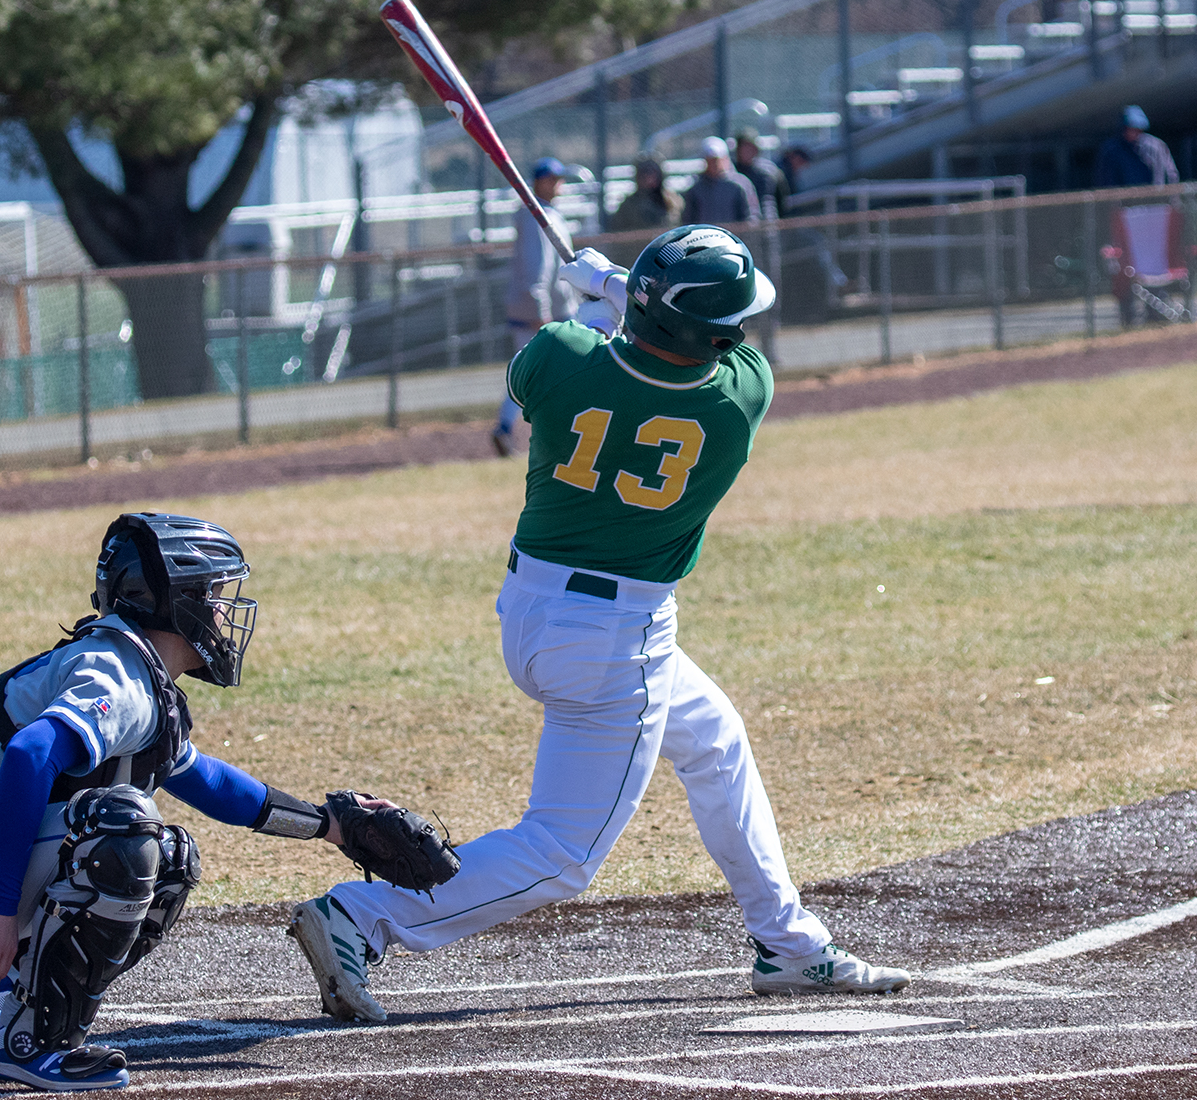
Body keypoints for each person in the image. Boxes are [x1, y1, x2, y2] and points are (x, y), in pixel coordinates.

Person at [288, 225, 910, 1025]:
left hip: (533, 611)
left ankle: (788, 943)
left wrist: (613, 295)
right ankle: (363, 918)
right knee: (564, 853)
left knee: (715, 740)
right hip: (618, 639)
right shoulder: (737, 399)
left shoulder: (557, 354)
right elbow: (698, 349)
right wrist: (616, 283)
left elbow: (571, 362)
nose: (741, 331)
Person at [0, 512, 402, 1092]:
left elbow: (210, 783)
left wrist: (331, 827)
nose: (225, 611)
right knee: (127, 833)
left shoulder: (137, 672)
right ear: (174, 600)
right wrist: (2, 910)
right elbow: (30, 754)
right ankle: (27, 1043)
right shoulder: (118, 671)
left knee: (172, 857)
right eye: (212, 593)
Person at [493, 157, 575, 458]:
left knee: (533, 373)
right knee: (541, 373)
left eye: (558, 178)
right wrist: (540, 311)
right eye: (550, 179)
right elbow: (536, 268)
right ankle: (542, 430)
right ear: (538, 182)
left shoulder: (546, 213)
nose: (557, 184)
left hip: (547, 308)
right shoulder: (536, 216)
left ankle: (507, 426)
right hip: (541, 311)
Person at [1095, 105, 1179, 188]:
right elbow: (1105, 181)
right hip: (1124, 199)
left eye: (1138, 129)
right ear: (1123, 128)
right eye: (1131, 129)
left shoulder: (1156, 146)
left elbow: (1170, 174)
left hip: (1156, 199)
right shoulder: (1111, 150)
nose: (1135, 133)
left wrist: (1170, 198)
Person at [682, 137, 759, 226]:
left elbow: (751, 215)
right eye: (711, 160)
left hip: (733, 238)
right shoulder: (696, 188)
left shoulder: (739, 184)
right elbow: (688, 219)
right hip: (704, 237)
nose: (715, 163)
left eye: (718, 159)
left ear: (725, 158)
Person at [609, 158, 684, 233]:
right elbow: (618, 234)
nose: (648, 177)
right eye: (644, 173)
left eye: (652, 172)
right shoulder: (628, 206)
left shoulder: (674, 201)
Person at [734, 130, 790, 219]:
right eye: (743, 147)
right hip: (741, 225)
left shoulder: (769, 171)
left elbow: (782, 200)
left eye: (750, 147)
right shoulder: (732, 173)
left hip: (769, 223)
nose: (747, 151)